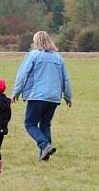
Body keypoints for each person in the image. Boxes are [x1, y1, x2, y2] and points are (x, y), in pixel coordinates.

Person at [12, 31, 72, 161]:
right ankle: (45, 156)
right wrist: (67, 96)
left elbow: (22, 74)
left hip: (37, 95)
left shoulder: (33, 55)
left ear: (36, 41)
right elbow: (65, 79)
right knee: (45, 124)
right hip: (54, 97)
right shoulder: (58, 57)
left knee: (30, 123)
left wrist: (16, 92)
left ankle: (44, 145)